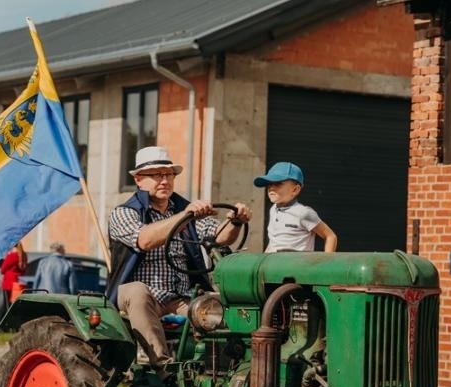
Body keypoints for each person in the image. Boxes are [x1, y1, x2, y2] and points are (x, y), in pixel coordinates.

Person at [108, 145, 252, 371]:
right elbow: (144, 239)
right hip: (138, 296)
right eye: (156, 174)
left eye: (169, 174)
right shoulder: (125, 212)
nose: (164, 180)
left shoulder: (183, 209)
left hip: (180, 297)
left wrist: (235, 221)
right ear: (138, 180)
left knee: (217, 303)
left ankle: (225, 371)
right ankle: (163, 369)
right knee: (137, 291)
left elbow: (220, 237)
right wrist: (185, 216)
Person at [254, 161, 338, 253]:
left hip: (298, 266)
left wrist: (326, 264)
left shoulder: (304, 213)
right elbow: (274, 242)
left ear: (295, 190)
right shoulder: (273, 209)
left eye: (278, 183)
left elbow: (330, 236)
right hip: (273, 265)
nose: (271, 188)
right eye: (269, 184)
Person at [0, 242, 27, 312]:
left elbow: (2, 270)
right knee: (15, 304)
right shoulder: (23, 255)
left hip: (8, 284)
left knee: (7, 305)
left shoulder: (12, 255)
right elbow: (24, 270)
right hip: (18, 284)